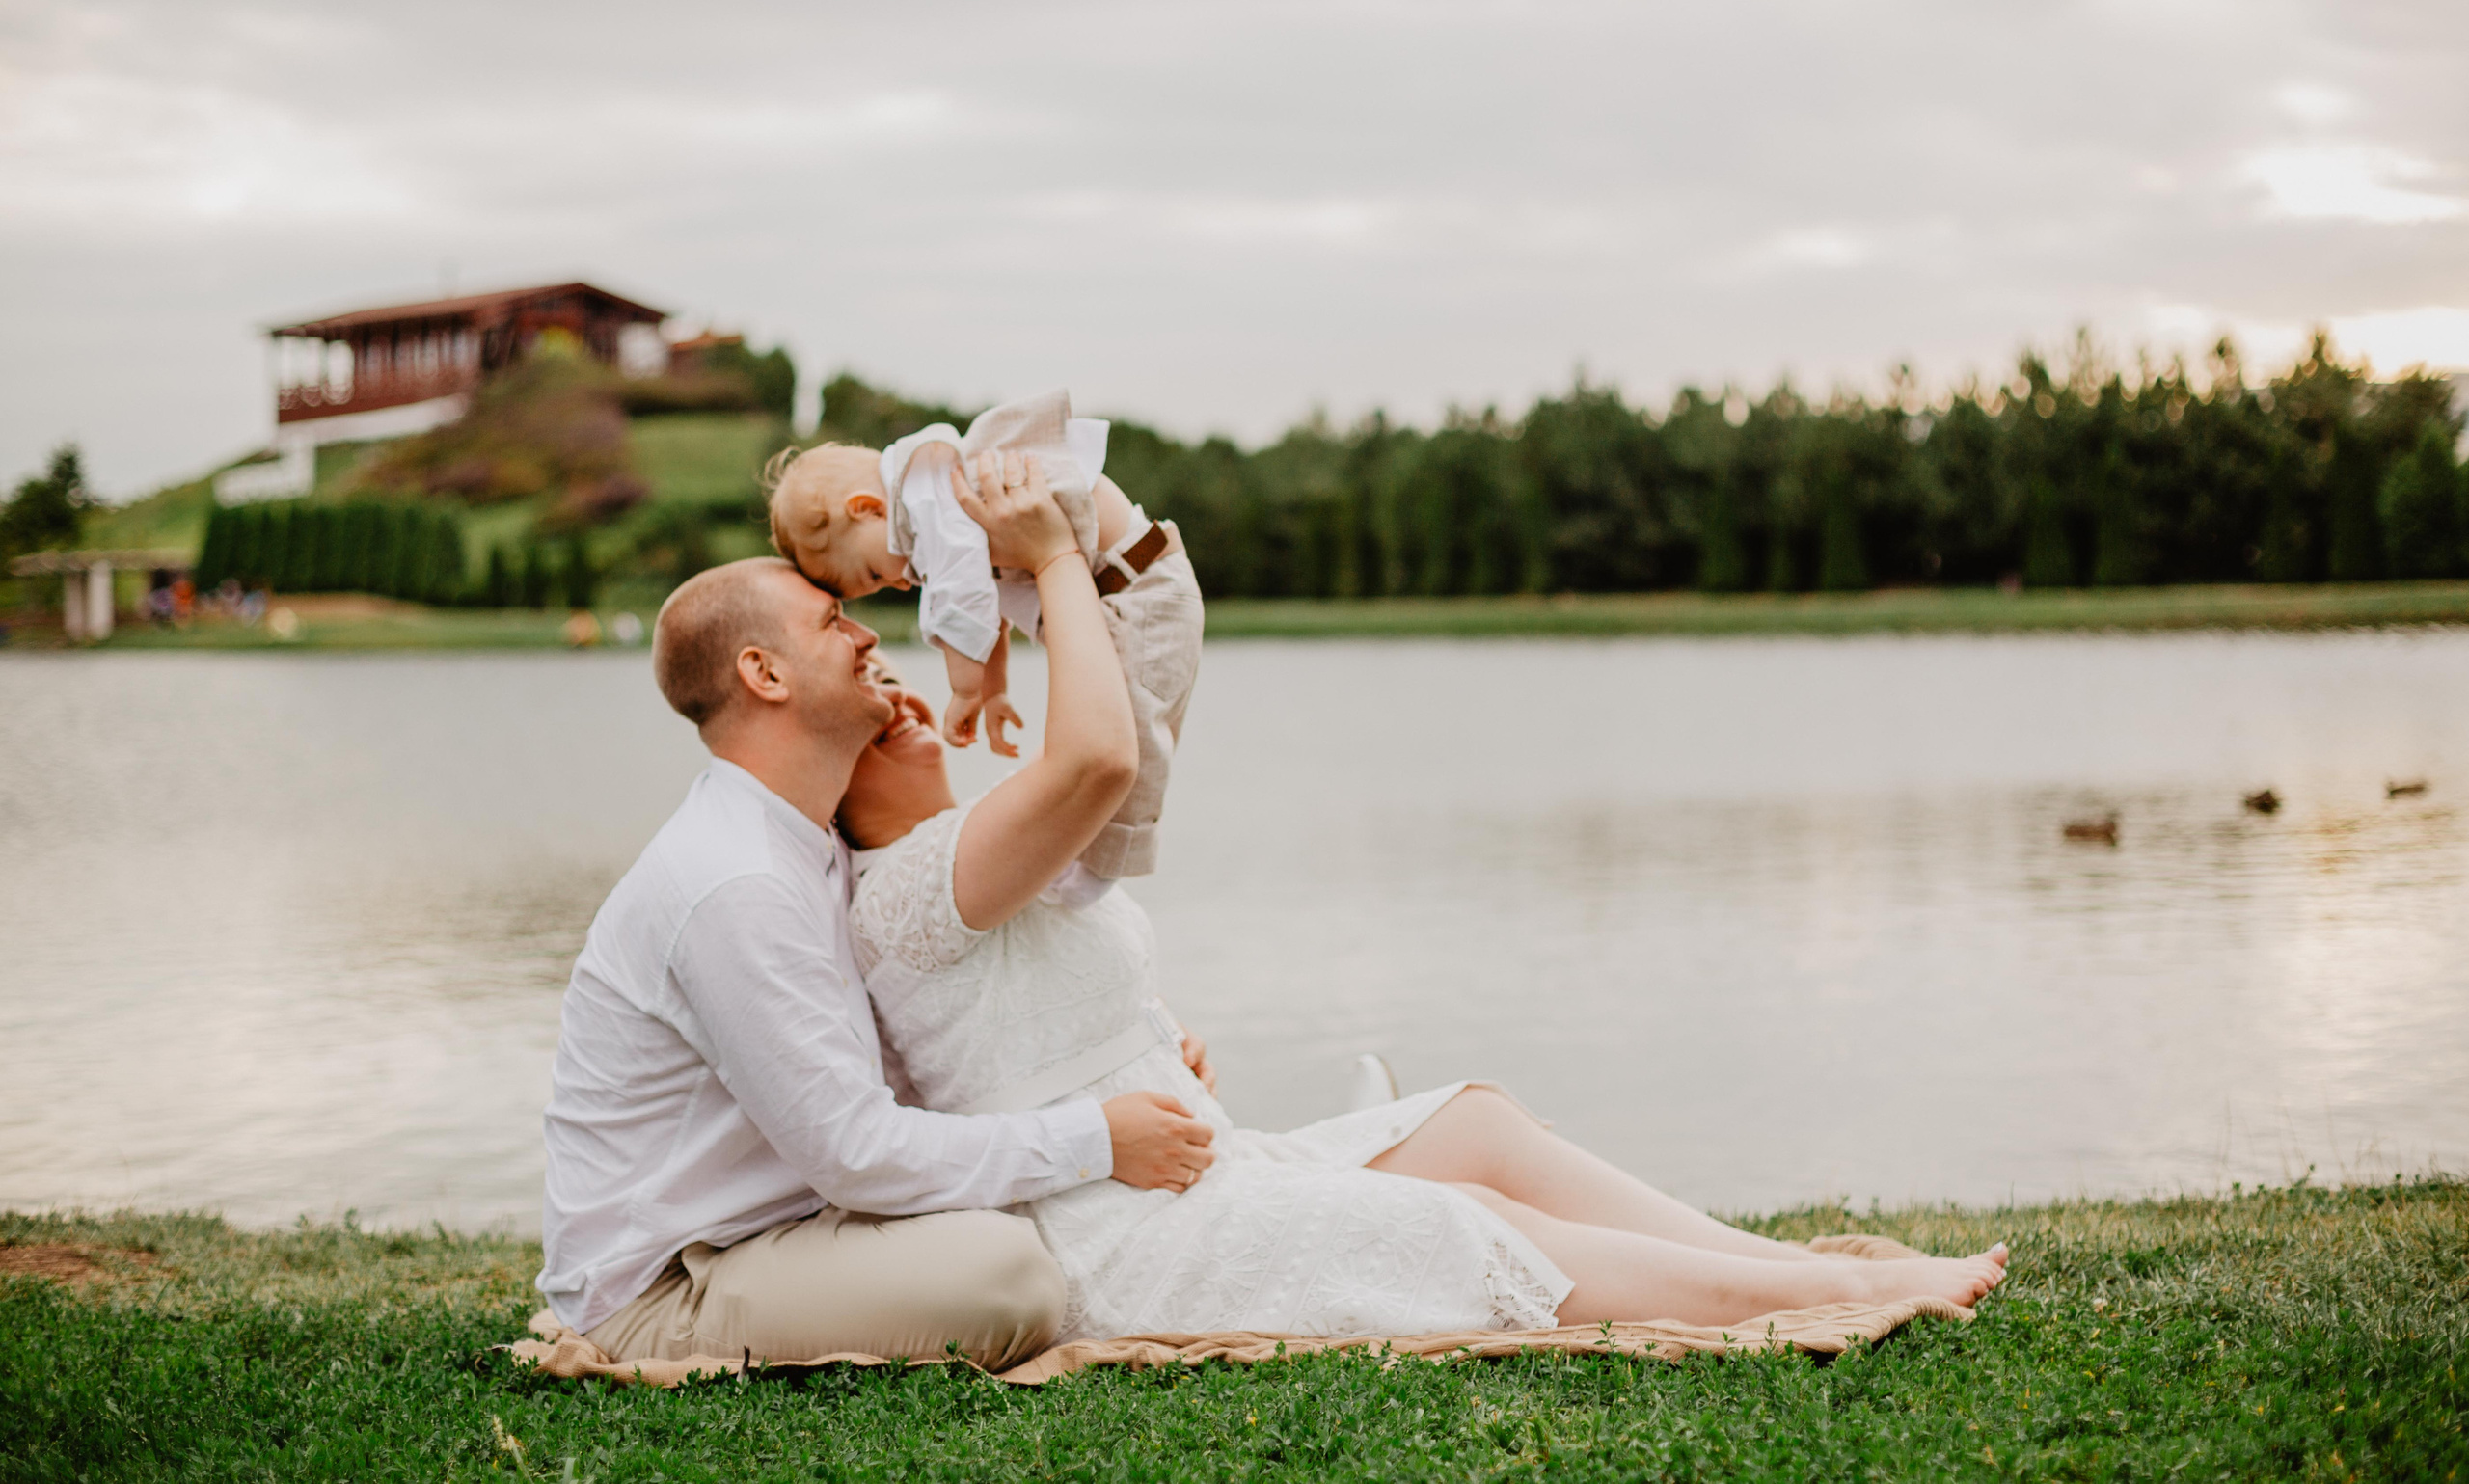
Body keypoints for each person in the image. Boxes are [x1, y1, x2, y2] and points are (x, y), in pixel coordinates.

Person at [845, 450, 2010, 1341]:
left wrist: (1095, 523)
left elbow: (1136, 719)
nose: (899, 692)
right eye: (872, 699)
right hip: (1126, 1237)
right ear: (835, 791)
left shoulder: (976, 843)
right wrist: (1050, 560)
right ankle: (1823, 1292)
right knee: (1464, 1227)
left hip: (1195, 1166)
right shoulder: (905, 888)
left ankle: (1771, 1263)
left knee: (1470, 1121)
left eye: (896, 675)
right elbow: (1095, 761)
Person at [533, 554, 1215, 1371]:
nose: (865, 634)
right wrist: (1096, 1137)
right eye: (831, 621)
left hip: (794, 1231)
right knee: (1014, 1274)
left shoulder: (811, 845)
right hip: (670, 1286)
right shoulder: (733, 879)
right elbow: (854, 1148)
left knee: (1041, 1223)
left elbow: (900, 1064)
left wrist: (1125, 1063)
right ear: (764, 672)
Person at [764, 388, 1200, 883]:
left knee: (1135, 735)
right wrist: (995, 692)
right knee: (1126, 729)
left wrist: (965, 691)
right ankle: (1085, 855)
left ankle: (1100, 871)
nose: (899, 582)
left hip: (1139, 591)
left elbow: (962, 599)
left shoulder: (929, 503)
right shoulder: (933, 499)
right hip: (1130, 590)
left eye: (873, 574)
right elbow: (986, 607)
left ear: (868, 508)